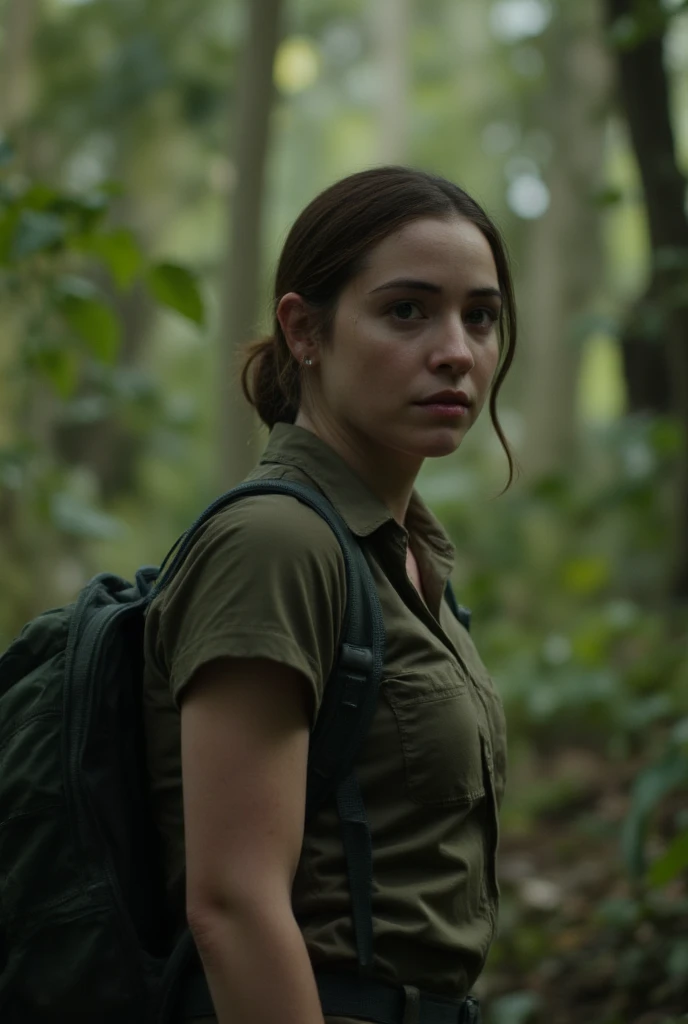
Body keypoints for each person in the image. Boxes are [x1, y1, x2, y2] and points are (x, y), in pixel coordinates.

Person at [142, 165, 515, 1024]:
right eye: (407, 310)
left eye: (481, 316)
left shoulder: (401, 556)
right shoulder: (276, 544)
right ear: (303, 330)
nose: (457, 350)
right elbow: (232, 904)